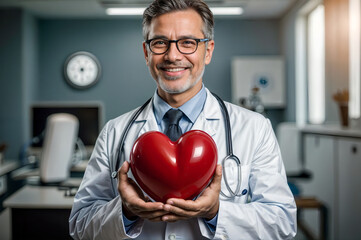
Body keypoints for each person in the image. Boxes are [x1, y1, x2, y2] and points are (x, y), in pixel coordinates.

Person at [69, 0, 297, 239]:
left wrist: (216, 212)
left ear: (207, 51)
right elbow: (80, 225)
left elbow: (282, 223)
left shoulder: (254, 128)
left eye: (187, 42)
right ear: (147, 53)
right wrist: (125, 211)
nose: (172, 55)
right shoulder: (114, 132)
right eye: (160, 43)